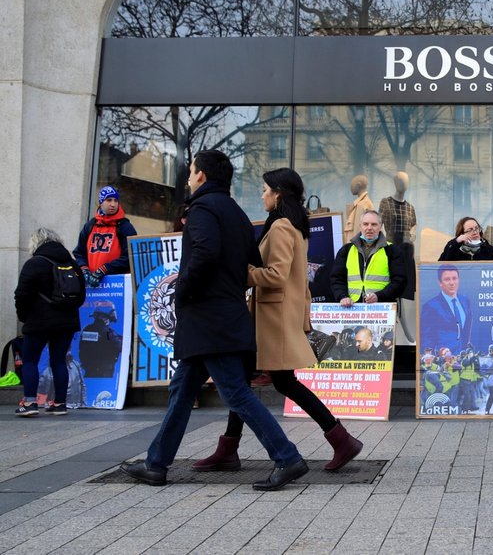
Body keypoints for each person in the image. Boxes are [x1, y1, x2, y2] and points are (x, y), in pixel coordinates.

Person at [120, 149, 308, 491]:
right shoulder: (236, 214)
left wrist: (183, 292)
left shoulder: (204, 208)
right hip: (224, 316)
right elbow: (248, 262)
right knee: (181, 390)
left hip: (208, 319)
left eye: (191, 172)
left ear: (202, 176)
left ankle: (287, 456)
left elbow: (205, 252)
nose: (189, 177)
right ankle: (156, 463)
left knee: (235, 393)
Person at [192, 168, 362, 474]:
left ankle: (341, 439)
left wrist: (240, 273)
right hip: (275, 317)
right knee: (247, 381)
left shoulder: (282, 227)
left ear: (278, 193)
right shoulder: (293, 226)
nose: (262, 195)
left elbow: (277, 274)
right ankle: (229, 449)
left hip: (274, 319)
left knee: (275, 382)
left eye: (265, 189)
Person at [14, 228, 85, 416]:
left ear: (36, 243)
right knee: (59, 361)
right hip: (66, 323)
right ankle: (59, 404)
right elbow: (81, 296)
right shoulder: (72, 264)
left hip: (38, 322)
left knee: (30, 360)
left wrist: (23, 316)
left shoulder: (34, 264)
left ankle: (29, 403)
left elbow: (21, 294)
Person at [330, 210, 407, 306]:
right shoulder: (346, 250)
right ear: (360, 226)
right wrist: (343, 296)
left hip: (382, 308)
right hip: (353, 308)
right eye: (365, 224)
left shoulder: (392, 251)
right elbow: (336, 279)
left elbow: (400, 281)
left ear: (380, 227)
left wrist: (379, 296)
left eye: (374, 224)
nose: (369, 228)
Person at [72, 186, 138, 288]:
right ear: (101, 202)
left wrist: (105, 269)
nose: (113, 204)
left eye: (116, 200)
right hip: (90, 284)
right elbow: (79, 252)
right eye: (109, 200)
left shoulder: (125, 227)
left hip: (116, 285)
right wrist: (84, 269)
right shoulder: (90, 225)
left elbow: (130, 256)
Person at [420, 265, 473, 355]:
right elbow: (426, 339)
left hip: (462, 358)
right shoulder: (430, 306)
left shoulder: (466, 302)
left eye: (454, 278)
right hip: (443, 361)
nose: (452, 283)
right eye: (447, 279)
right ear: (440, 283)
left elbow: (466, 332)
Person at [78, 301, 123, 378]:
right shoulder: (107, 332)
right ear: (104, 317)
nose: (109, 322)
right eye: (108, 319)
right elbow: (120, 345)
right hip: (104, 373)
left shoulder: (87, 329)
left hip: (89, 372)